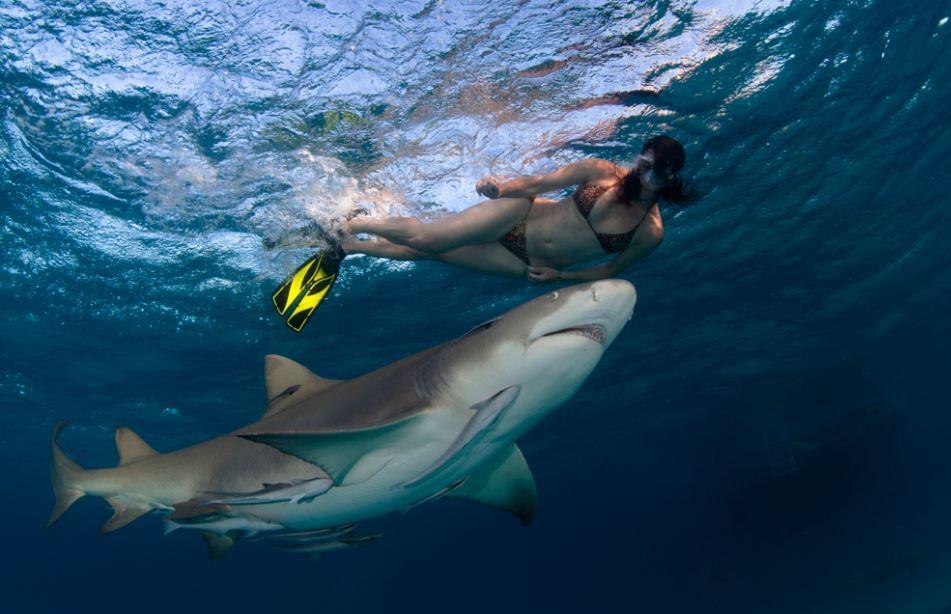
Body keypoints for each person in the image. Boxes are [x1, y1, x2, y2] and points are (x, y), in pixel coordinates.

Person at [344, 135, 693, 282]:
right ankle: (353, 221)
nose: (646, 176)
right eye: (643, 164)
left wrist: (563, 277)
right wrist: (500, 188)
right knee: (428, 239)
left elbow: (608, 271)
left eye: (657, 171)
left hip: (526, 263)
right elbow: (538, 185)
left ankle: (348, 246)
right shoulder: (600, 171)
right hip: (521, 214)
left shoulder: (651, 233)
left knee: (428, 255)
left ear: (673, 175)